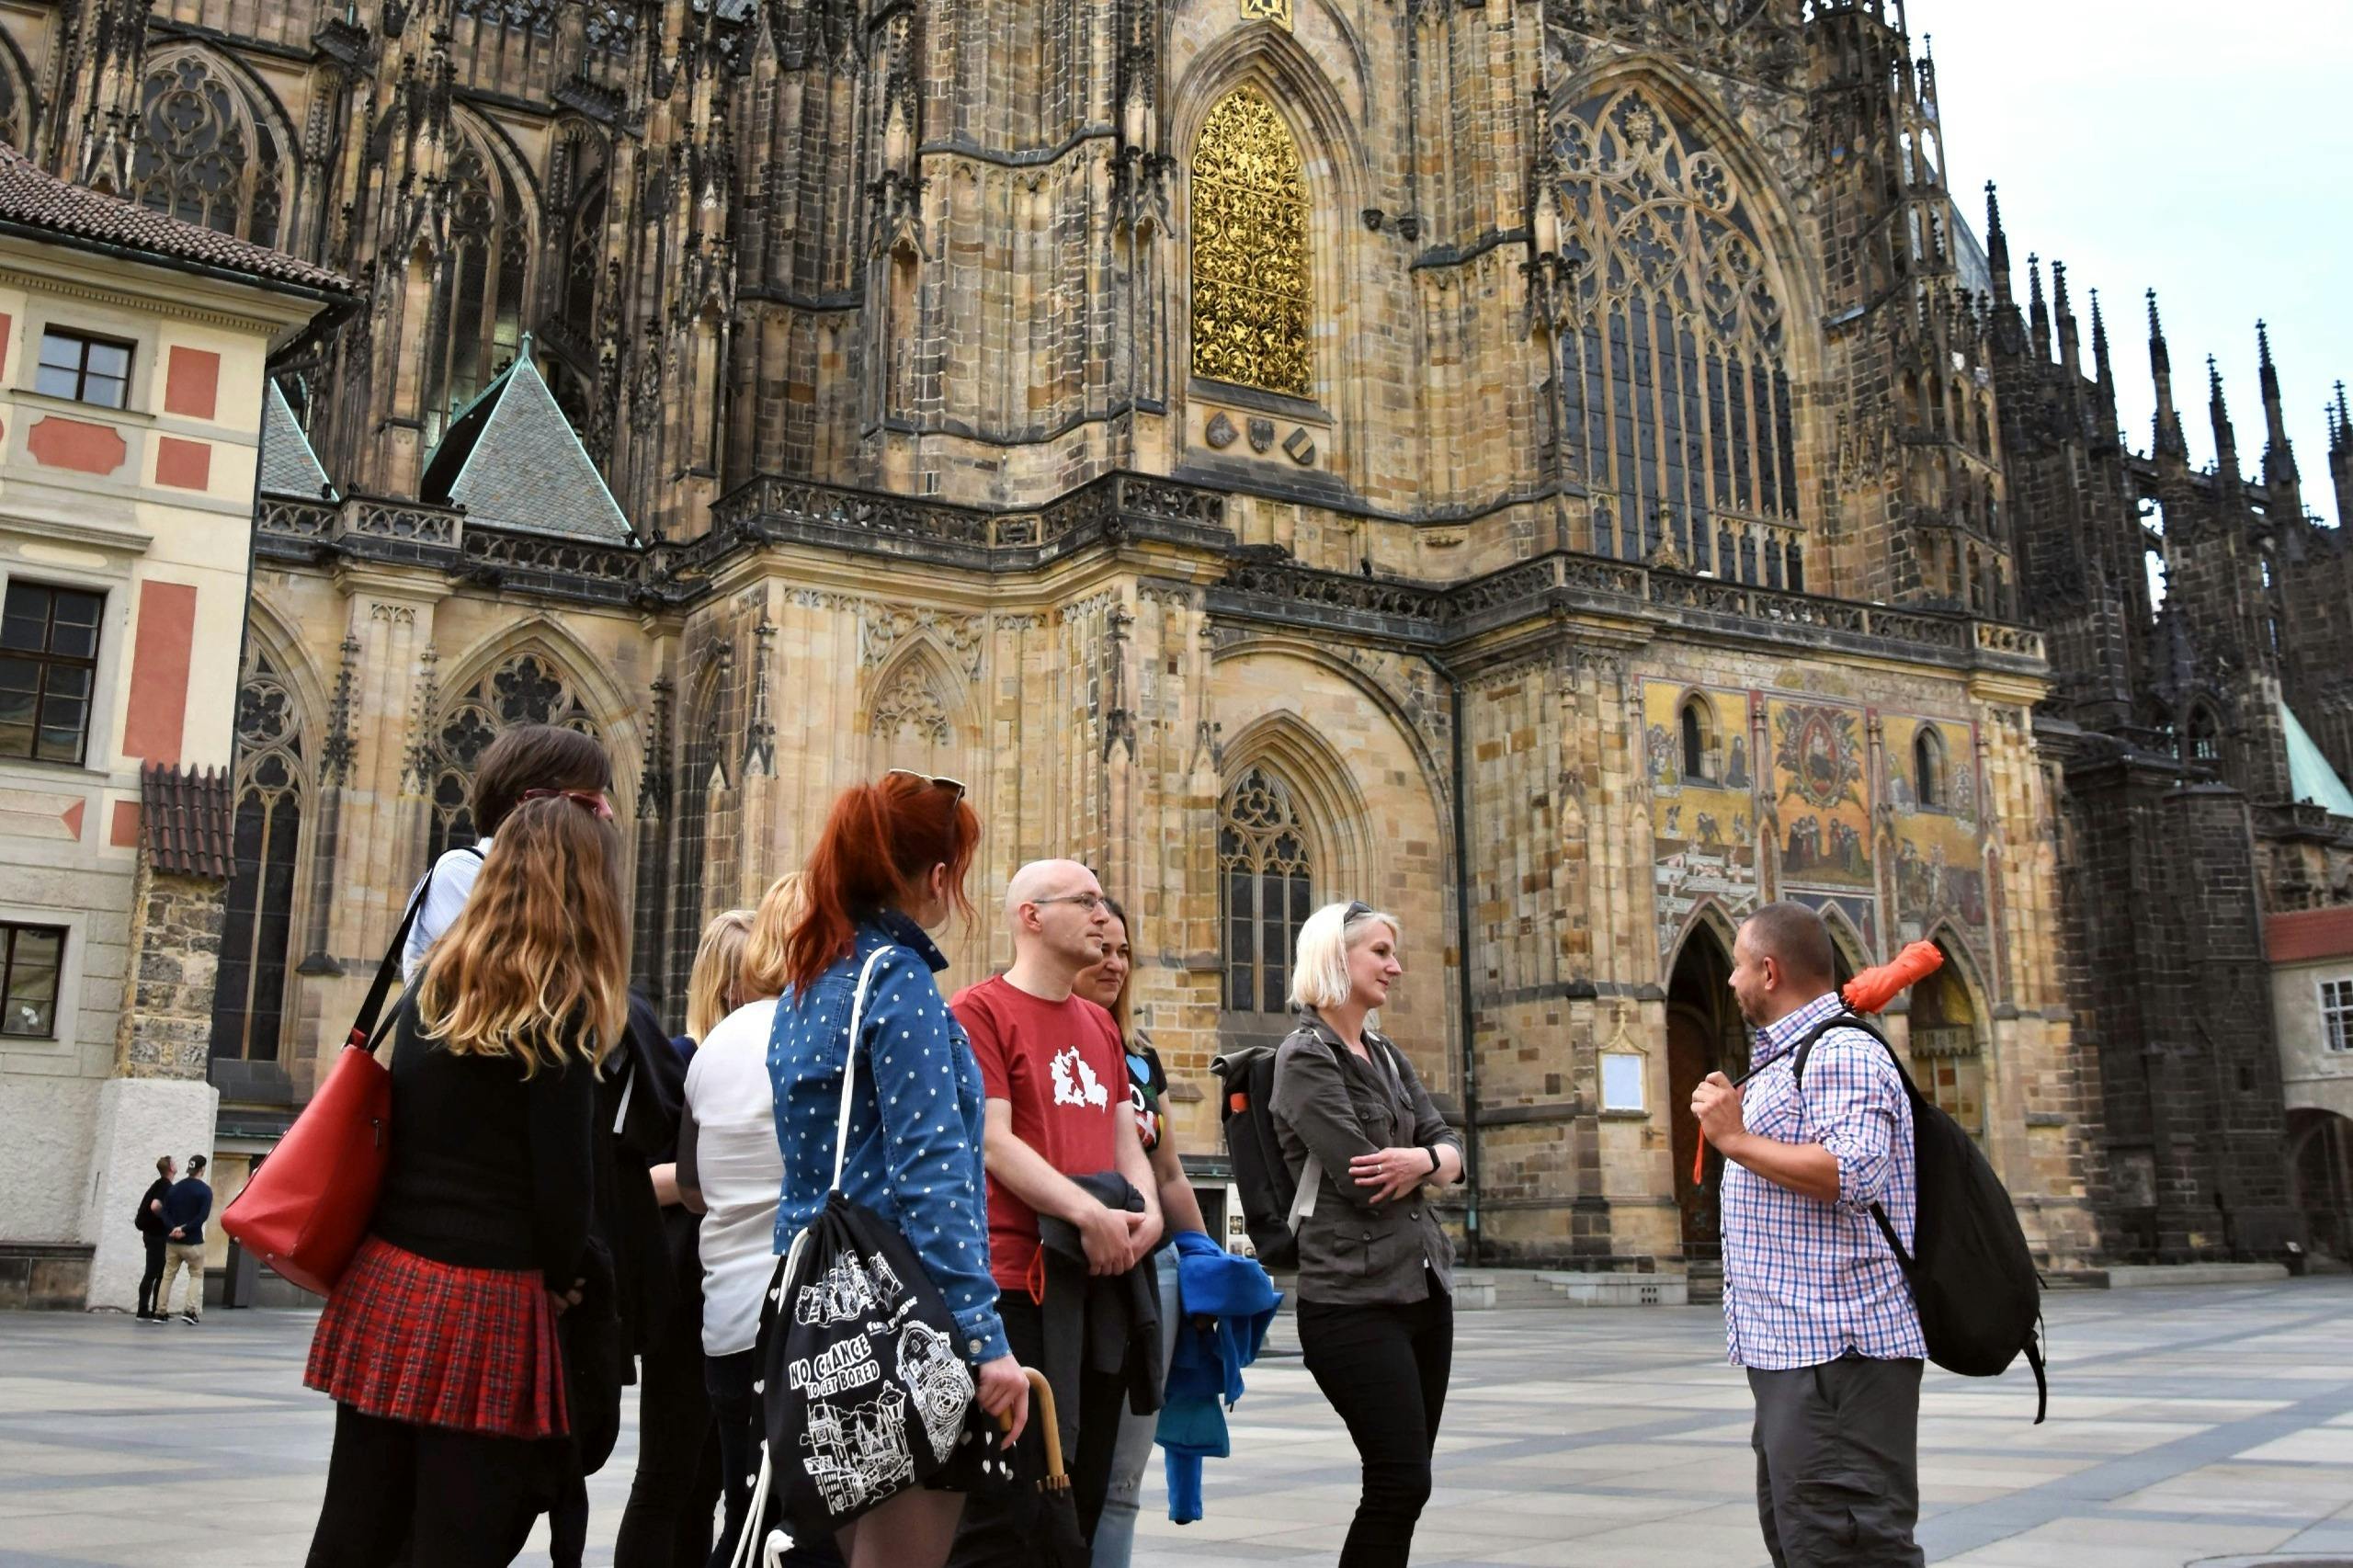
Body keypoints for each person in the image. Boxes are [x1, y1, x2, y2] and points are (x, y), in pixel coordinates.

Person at [301, 791, 629, 1568]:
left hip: (387, 1285)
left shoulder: (433, 987)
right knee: (459, 1539)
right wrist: (567, 1277)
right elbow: (563, 1194)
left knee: (354, 1530)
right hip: (486, 1299)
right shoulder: (558, 1012)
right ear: (583, 890)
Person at [768, 774, 1029, 1568]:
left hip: (812, 1311)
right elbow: (933, 1179)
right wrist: (987, 1343)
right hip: (901, 1315)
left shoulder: (808, 981)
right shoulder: (901, 982)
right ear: (940, 877)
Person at [1691, 901, 1926, 1568]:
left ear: (1769, 971)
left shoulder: (1842, 1051)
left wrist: (1734, 1138)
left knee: (1850, 1547)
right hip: (1799, 1355)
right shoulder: (1787, 1057)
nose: (1732, 981)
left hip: (1839, 1357)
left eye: (1737, 966)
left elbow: (1855, 1172)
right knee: (1808, 1544)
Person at [950, 860, 1165, 1563]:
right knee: (1015, 1513)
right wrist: (1087, 1213)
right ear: (1031, 917)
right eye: (1087, 902)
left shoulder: (1101, 1026)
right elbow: (992, 1140)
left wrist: (1148, 1216)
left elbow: (1124, 1140)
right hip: (1020, 1287)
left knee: (1087, 1493)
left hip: (1101, 1283)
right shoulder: (977, 1013)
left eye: (1105, 902)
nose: (1105, 917)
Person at [1269, 902, 1462, 1568]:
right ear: (1335, 957)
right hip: (1351, 1302)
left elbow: (1450, 1150)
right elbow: (1362, 1176)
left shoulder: (1383, 1052)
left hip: (1423, 1289)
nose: (1396, 965)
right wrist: (1428, 1162)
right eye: (1380, 951)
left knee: (1409, 1485)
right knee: (1398, 1479)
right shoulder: (1304, 1058)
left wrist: (1425, 1161)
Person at [613, 909, 743, 1568]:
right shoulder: (683, 1060)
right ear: (728, 986)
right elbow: (638, 1178)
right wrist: (722, 1178)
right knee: (667, 1477)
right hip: (686, 1290)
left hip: (732, 1287)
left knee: (712, 1482)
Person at [1083, 896, 1210, 1568]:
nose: (1114, 962)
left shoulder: (1139, 1056)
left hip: (1151, 1271)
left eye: (1124, 951)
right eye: (1101, 948)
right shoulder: (1047, 1043)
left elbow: (1168, 1173)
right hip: (1076, 1266)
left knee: (1125, 1480)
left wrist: (1204, 1259)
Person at [673, 900, 784, 1568]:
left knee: (737, 1509)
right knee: (773, 1522)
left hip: (724, 1307)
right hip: (792, 1317)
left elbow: (691, 1185)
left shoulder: (711, 1052)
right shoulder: (810, 1035)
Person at [402, 723, 611, 982]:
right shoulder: (464, 871)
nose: (606, 811)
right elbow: (522, 985)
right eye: (589, 799)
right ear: (531, 803)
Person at [157, 1154, 213, 1324]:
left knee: (167, 1275)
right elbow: (202, 1217)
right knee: (196, 1275)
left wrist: (173, 1228)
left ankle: (160, 1312)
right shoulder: (205, 1191)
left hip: (173, 1242)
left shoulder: (174, 1189)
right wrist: (185, 1229)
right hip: (193, 1242)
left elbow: (164, 1212)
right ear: (202, 1169)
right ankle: (189, 1311)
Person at [134, 1154, 175, 1323]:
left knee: (157, 1272)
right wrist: (168, 1221)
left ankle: (155, 1309)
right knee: (155, 1272)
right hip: (157, 1235)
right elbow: (156, 1206)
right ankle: (146, 1310)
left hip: (152, 1234)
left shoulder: (159, 1185)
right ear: (171, 1168)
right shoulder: (164, 1185)